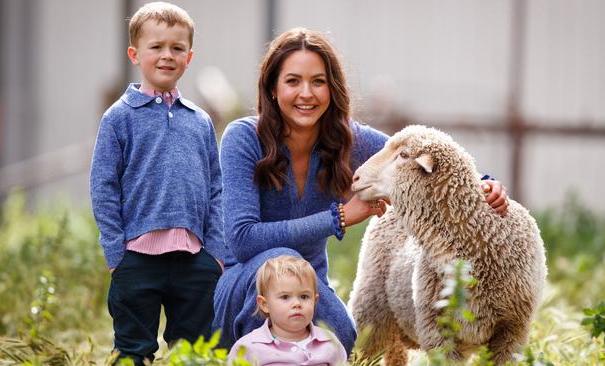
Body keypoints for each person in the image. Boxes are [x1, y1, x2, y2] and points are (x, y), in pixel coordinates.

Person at [213, 27, 509, 355]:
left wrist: (482, 182)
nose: (306, 93)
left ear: (332, 88)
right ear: (272, 88)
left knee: (346, 337)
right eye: (293, 81)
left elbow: (417, 157)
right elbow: (243, 241)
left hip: (308, 291)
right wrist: (338, 216)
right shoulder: (243, 138)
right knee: (277, 261)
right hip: (247, 285)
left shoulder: (348, 140)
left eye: (318, 82)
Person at [89, 2, 226, 364]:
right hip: (137, 258)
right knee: (134, 351)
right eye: (157, 47)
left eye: (177, 48)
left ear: (189, 57)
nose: (167, 55)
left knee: (193, 353)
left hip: (195, 260)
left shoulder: (200, 122)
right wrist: (117, 253)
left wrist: (215, 253)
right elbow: (104, 188)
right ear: (135, 54)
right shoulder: (118, 118)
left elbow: (216, 188)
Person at [228, 255, 348, 365]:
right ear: (265, 304)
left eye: (304, 297)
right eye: (285, 297)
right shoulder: (249, 347)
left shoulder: (329, 342)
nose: (297, 304)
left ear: (315, 301)